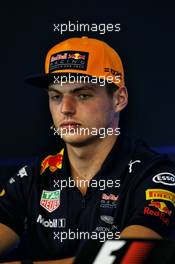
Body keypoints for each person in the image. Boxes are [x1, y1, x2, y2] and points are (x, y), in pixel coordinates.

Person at [0, 36, 175, 264]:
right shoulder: (31, 178)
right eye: (56, 96)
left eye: (83, 95)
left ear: (119, 99)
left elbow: (128, 259)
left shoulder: (155, 175)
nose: (66, 108)